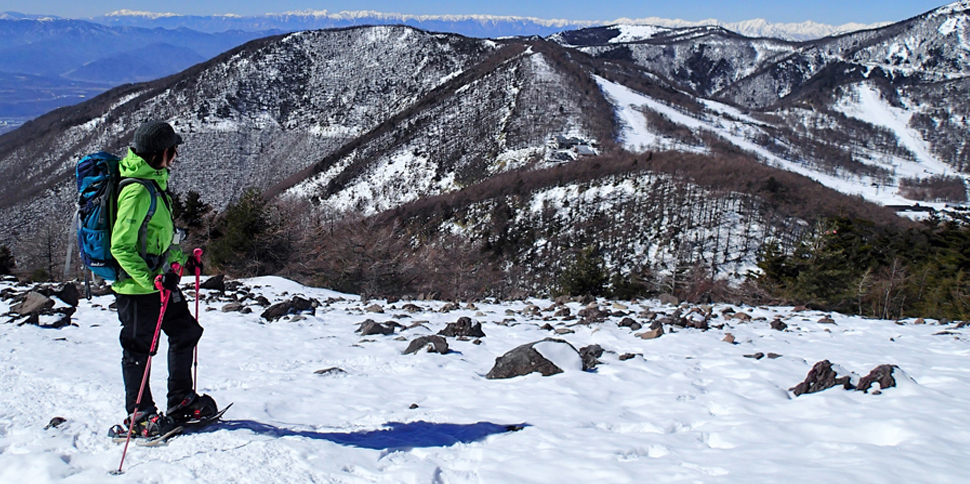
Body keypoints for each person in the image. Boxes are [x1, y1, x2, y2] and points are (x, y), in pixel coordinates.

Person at [108, 120, 216, 439]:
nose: (177, 154)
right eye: (173, 149)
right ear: (161, 153)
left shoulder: (154, 183)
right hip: (137, 288)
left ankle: (180, 399)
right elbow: (121, 246)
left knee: (186, 332)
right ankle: (139, 414)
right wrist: (151, 278)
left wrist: (183, 260)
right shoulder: (138, 191)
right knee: (139, 349)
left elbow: (157, 241)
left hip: (159, 283)